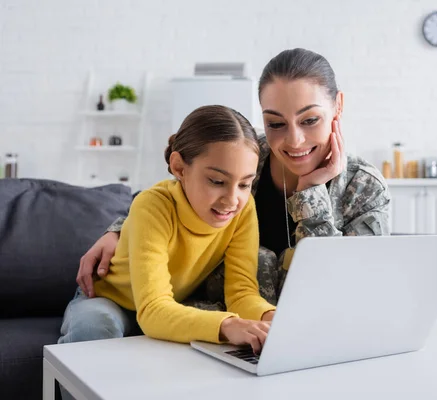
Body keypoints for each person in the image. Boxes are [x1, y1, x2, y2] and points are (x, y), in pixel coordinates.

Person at [76, 48, 391, 307]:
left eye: (310, 120)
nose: (294, 141)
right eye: (275, 123)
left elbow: (347, 290)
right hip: (215, 321)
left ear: (338, 106)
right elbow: (174, 193)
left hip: (311, 332)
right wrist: (117, 232)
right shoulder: (246, 154)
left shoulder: (363, 188)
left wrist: (311, 192)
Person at [58, 105, 275, 355]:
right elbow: (153, 310)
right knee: (94, 329)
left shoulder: (243, 209)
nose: (232, 199)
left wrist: (273, 319)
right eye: (217, 181)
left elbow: (242, 293)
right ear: (179, 168)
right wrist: (227, 325)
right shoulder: (152, 205)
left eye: (245, 184)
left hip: (166, 307)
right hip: (109, 299)